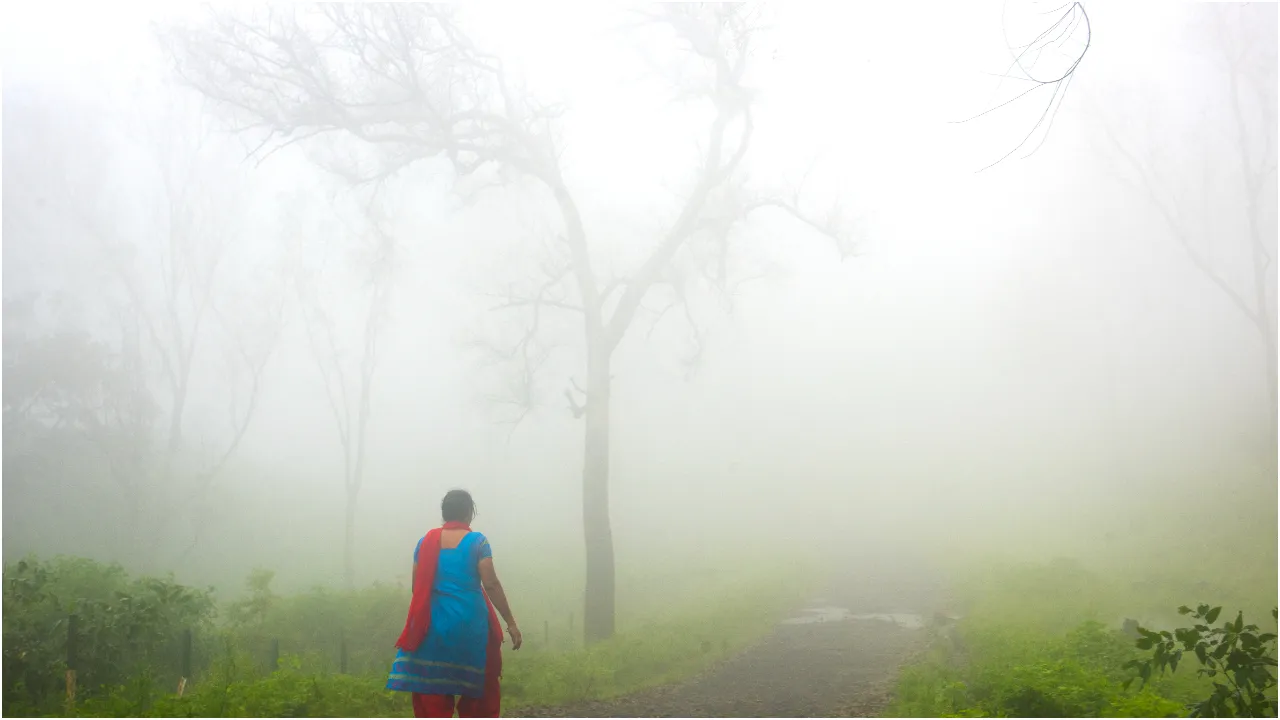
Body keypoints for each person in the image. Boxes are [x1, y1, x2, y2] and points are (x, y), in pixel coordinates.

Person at [387, 490, 522, 718]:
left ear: (444, 514)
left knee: (432, 692)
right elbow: (490, 584)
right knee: (480, 690)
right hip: (470, 627)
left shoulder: (425, 542)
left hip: (432, 626)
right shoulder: (478, 542)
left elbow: (416, 587)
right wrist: (510, 622)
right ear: (469, 513)